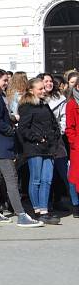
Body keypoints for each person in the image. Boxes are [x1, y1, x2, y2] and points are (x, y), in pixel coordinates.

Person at [0, 69, 43, 227]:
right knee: (11, 179)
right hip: (0, 142)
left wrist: (11, 119)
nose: (6, 83)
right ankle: (21, 215)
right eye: (4, 80)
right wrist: (11, 130)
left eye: (7, 80)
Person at [17, 78, 61, 225]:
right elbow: (22, 128)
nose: (44, 90)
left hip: (49, 147)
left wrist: (55, 136)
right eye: (40, 89)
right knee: (36, 179)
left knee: (47, 180)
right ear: (31, 90)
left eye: (44, 88)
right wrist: (38, 138)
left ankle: (44, 210)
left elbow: (53, 124)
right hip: (34, 148)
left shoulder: (44, 104)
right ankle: (36, 210)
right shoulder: (27, 106)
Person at [40, 72, 78, 215]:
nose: (49, 83)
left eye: (50, 81)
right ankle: (47, 204)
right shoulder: (37, 99)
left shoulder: (60, 99)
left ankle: (75, 204)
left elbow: (64, 119)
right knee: (46, 176)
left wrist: (57, 132)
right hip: (42, 143)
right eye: (46, 81)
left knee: (67, 174)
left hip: (57, 141)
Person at [65, 80, 79, 217]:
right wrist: (75, 143)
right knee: (75, 177)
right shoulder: (72, 104)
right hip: (78, 146)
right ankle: (76, 205)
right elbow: (70, 128)